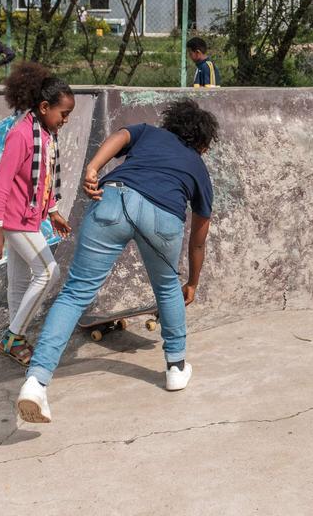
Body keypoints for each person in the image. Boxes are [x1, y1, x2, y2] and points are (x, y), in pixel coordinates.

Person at [17, 98, 218, 423]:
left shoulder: (149, 134)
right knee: (167, 288)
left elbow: (121, 136)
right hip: (162, 217)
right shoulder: (197, 166)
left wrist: (93, 168)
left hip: (112, 199)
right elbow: (199, 237)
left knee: (74, 294)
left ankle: (36, 381)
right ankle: (176, 368)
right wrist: (192, 281)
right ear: (202, 142)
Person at [0, 61, 74, 366]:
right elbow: (2, 181)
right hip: (14, 220)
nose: (65, 120)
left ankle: (16, 340)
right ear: (45, 106)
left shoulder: (46, 134)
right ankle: (12, 335)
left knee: (20, 282)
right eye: (63, 114)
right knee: (49, 272)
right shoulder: (22, 135)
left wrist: (53, 211)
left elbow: (43, 180)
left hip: (30, 217)